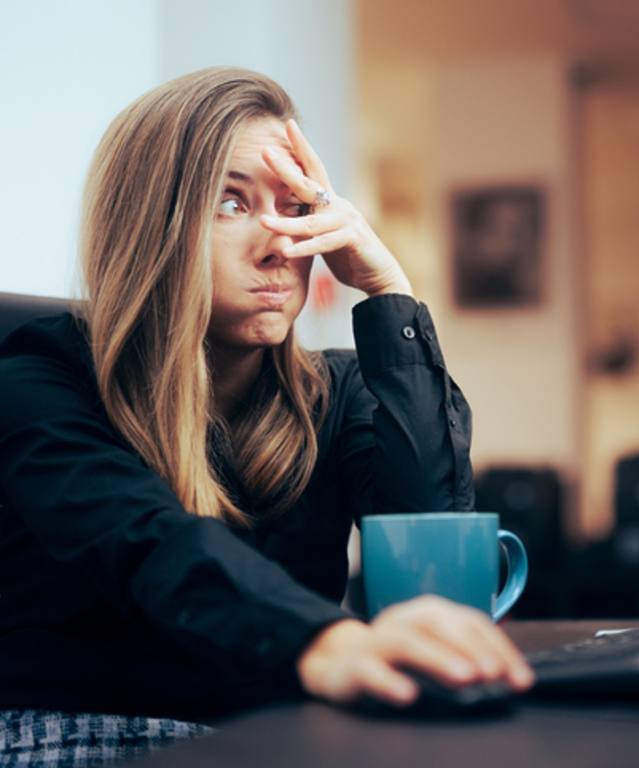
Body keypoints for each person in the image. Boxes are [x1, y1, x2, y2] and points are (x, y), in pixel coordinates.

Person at [0, 67, 532, 757]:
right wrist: (322, 641)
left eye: (296, 206)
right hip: (77, 735)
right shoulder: (38, 382)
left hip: (275, 734)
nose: (281, 242)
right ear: (149, 224)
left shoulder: (337, 391)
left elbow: (427, 539)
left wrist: (386, 291)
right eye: (231, 203)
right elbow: (150, 542)